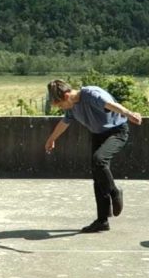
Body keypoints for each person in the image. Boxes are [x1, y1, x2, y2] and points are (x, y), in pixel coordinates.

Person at [44, 79, 143, 233]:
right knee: (98, 175)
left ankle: (115, 192)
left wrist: (129, 114)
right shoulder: (71, 107)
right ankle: (102, 221)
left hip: (117, 132)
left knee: (99, 160)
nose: (61, 108)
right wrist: (51, 139)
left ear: (66, 96)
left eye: (60, 105)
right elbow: (64, 122)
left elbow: (110, 105)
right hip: (98, 135)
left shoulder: (90, 94)